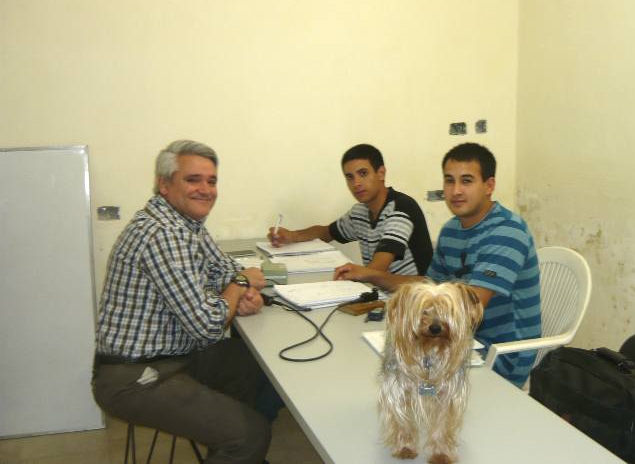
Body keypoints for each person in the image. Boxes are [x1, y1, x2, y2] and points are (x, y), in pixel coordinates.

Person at [92, 140, 276, 464]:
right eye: (193, 180)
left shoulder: (186, 224)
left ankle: (233, 448)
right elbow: (208, 326)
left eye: (212, 181)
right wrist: (239, 286)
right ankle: (241, 444)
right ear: (164, 184)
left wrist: (241, 290)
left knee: (262, 368)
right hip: (136, 377)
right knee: (250, 434)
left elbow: (225, 269)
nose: (206, 190)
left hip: (174, 356)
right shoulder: (163, 233)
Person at [335, 143, 542, 387]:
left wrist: (410, 327)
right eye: (449, 181)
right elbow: (428, 285)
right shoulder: (452, 229)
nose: (455, 191)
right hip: (459, 339)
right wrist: (370, 275)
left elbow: (472, 306)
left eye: (466, 181)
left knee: (395, 379)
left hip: (500, 354)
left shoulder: (507, 231)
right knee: (369, 366)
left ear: (489, 185)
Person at [267, 143, 432, 276]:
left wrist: (350, 273)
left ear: (381, 173)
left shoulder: (401, 209)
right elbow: (326, 232)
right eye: (350, 177)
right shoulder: (359, 212)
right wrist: (291, 236)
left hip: (416, 299)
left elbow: (377, 269)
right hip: (382, 293)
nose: (356, 183)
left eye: (363, 173)